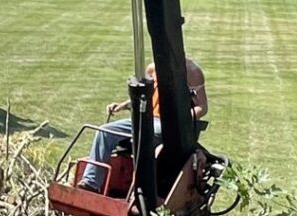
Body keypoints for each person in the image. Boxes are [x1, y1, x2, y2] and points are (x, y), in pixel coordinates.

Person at [79, 58, 208, 191]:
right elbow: (144, 96)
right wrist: (123, 105)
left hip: (168, 125)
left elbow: (202, 107)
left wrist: (179, 121)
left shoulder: (192, 72)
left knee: (146, 136)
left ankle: (140, 191)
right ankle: (91, 182)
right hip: (146, 119)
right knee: (104, 131)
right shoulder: (152, 69)